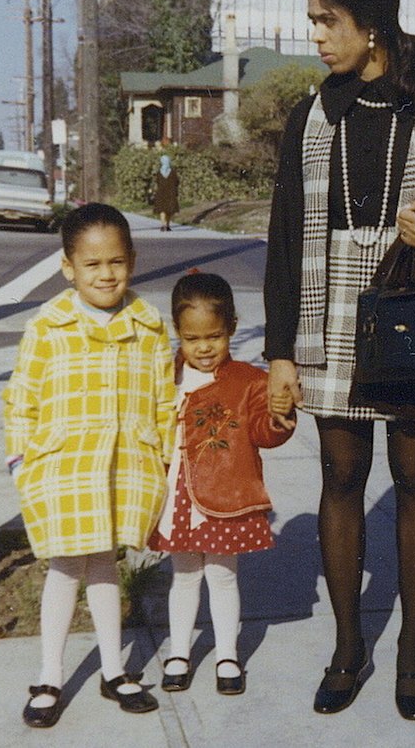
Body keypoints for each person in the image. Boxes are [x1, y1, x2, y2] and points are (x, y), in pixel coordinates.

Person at [264, 0, 415, 721]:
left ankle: (411, 650)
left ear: (373, 23)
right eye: (315, 22)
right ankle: (347, 646)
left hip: (412, 313)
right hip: (328, 312)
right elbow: (285, 235)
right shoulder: (312, 112)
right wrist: (279, 355)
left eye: (328, 22)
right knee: (338, 477)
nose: (318, 37)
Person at [3, 202, 176, 728]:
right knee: (64, 568)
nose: (106, 274)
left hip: (125, 465)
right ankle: (50, 674)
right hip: (64, 467)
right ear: (68, 267)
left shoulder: (149, 326)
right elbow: (22, 397)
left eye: (117, 262)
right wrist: (20, 460)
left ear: (132, 260)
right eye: (93, 264)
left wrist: (164, 458)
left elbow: (164, 399)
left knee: (105, 565)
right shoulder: (48, 326)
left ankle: (113, 668)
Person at [149, 272, 295, 695]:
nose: (205, 348)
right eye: (193, 339)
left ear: (231, 327)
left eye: (214, 336)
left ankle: (227, 654)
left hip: (226, 495)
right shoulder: (166, 375)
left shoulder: (248, 380)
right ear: (178, 333)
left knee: (223, 575)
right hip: (176, 495)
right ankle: (179, 652)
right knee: (185, 576)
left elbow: (265, 434)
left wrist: (279, 414)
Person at [153, 153, 179, 232]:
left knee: (162, 209)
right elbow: (177, 182)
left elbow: (157, 182)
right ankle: (167, 225)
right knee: (169, 210)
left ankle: (163, 224)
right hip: (171, 193)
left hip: (161, 193)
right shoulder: (173, 172)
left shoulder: (158, 172)